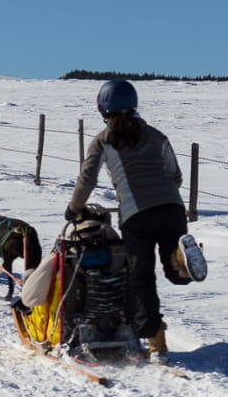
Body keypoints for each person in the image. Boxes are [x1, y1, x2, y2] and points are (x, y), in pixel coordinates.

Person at [66, 79, 206, 364]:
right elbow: (175, 175)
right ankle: (180, 259)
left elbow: (87, 178)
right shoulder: (156, 135)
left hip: (136, 215)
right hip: (173, 209)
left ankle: (157, 345)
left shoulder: (103, 140)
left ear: (102, 107)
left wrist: (74, 209)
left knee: (141, 279)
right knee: (171, 273)